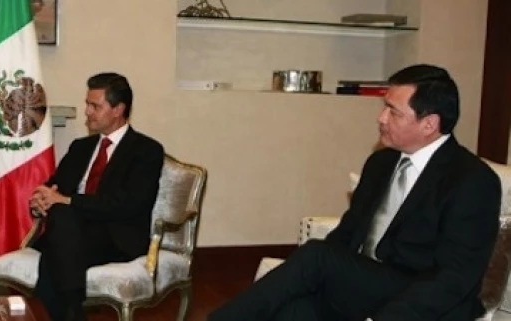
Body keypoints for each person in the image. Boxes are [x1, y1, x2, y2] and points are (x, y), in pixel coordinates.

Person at [208, 64, 501, 321]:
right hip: (364, 287)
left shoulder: (471, 179)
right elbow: (348, 235)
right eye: (384, 107)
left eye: (393, 112)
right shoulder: (382, 162)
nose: (381, 118)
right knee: (294, 311)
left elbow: (454, 278)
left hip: (420, 301)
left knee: (316, 257)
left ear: (429, 124)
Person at [29, 72, 165, 321]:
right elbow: (54, 188)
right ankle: (73, 311)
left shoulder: (146, 151)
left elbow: (128, 205)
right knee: (61, 221)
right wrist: (41, 201)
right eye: (87, 104)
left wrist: (67, 201)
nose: (87, 112)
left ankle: (71, 312)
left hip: (116, 237)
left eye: (95, 106)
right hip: (72, 232)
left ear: (118, 109)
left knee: (55, 247)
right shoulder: (80, 148)